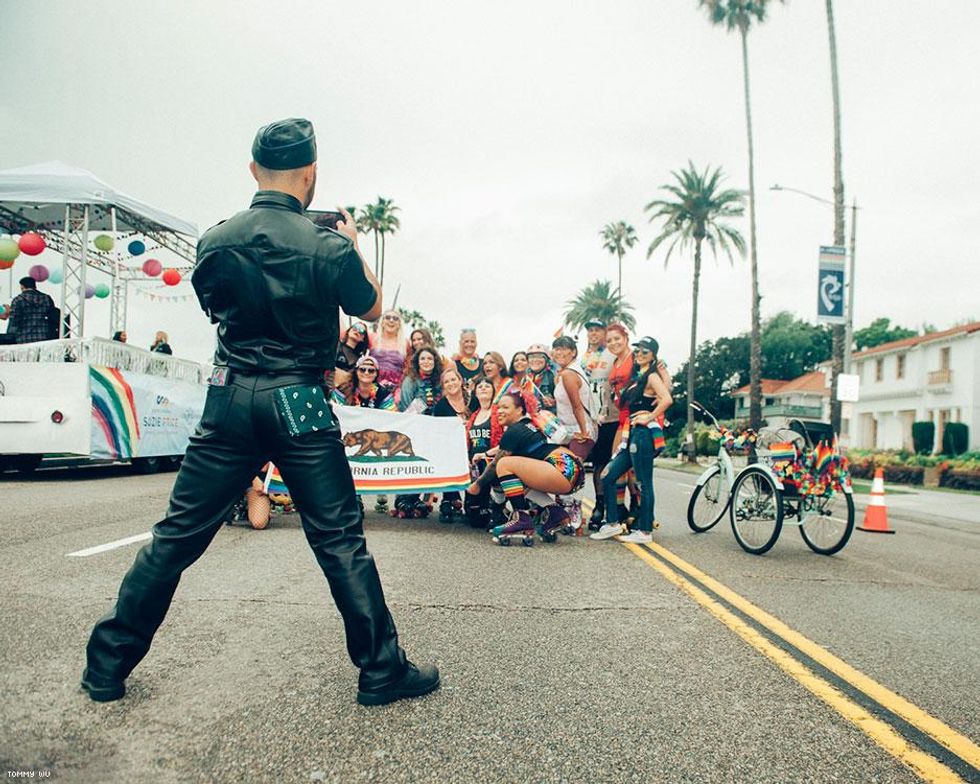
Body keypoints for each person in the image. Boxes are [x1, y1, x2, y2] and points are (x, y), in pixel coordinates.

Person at [80, 117, 438, 707]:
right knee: (339, 540)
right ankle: (381, 670)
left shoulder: (215, 241)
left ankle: (106, 667)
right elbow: (373, 310)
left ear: (254, 171)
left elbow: (214, 308)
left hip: (229, 396)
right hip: (299, 398)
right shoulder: (328, 246)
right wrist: (350, 243)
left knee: (175, 537)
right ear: (311, 174)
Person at [467, 391, 585, 544]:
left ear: (519, 410)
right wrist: (485, 454)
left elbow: (497, 462)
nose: (499, 411)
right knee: (516, 480)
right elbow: (504, 448)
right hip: (571, 468)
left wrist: (478, 484)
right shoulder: (529, 425)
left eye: (505, 407)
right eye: (498, 408)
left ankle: (522, 518)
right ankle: (555, 513)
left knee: (504, 465)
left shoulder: (514, 430)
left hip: (562, 469)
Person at [591, 337, 672, 544]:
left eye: (645, 352)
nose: (639, 355)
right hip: (631, 434)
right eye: (637, 351)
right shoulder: (637, 377)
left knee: (643, 483)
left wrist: (649, 417)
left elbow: (667, 399)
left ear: (653, 355)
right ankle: (612, 523)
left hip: (643, 434)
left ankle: (644, 531)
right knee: (608, 476)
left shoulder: (652, 376)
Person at [585, 323, 634, 530]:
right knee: (599, 463)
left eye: (598, 330)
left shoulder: (616, 354)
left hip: (618, 417)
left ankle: (629, 508)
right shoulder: (583, 356)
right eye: (590, 330)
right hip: (597, 417)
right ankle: (601, 505)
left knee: (623, 464)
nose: (593, 333)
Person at [463, 376, 503, 528]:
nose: (484, 388)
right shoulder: (473, 415)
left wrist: (487, 454)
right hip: (475, 467)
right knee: (474, 518)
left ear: (493, 391)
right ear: (475, 393)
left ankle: (498, 510)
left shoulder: (499, 412)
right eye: (480, 386)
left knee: (488, 512)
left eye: (487, 385)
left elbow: (506, 441)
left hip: (493, 463)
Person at [432, 366, 470, 523]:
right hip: (451, 447)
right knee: (447, 457)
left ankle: (473, 500)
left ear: (460, 381)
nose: (451, 383)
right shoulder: (441, 406)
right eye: (446, 382)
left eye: (453, 379)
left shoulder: (472, 400)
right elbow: (439, 432)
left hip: (473, 445)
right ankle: (448, 497)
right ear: (443, 386)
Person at [0, 277, 56, 344]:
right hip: (43, 336)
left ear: (22, 286)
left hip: (24, 337)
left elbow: (14, 321)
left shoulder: (18, 300)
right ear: (34, 286)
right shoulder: (47, 298)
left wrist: (9, 312)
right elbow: (53, 317)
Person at [331, 355, 396, 410]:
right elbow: (335, 410)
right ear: (356, 372)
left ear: (376, 374)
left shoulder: (383, 393)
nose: (366, 373)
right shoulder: (343, 390)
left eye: (371, 370)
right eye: (362, 370)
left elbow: (390, 415)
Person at [370, 310, 408, 393]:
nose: (391, 320)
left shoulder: (406, 343)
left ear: (399, 324)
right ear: (382, 322)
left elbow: (409, 367)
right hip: (371, 384)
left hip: (395, 388)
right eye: (387, 318)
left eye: (395, 318)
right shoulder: (372, 338)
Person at [334, 321, 370, 390]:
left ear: (363, 338)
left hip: (344, 391)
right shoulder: (335, 345)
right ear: (349, 331)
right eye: (355, 327)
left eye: (361, 331)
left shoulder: (361, 359)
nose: (357, 331)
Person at [526, 343, 557, 413]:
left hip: (550, 416)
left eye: (539, 356)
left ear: (547, 360)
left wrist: (554, 402)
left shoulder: (553, 376)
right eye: (531, 357)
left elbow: (566, 401)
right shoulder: (525, 377)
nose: (535, 360)